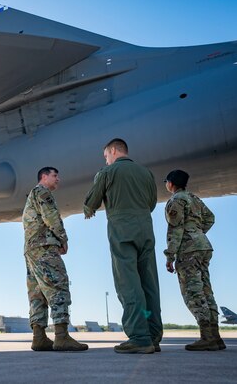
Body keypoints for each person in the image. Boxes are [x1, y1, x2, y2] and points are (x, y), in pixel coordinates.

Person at [83, 138, 163, 354]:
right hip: (146, 230)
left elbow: (90, 203)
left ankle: (139, 337)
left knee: (128, 284)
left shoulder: (107, 173)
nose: (106, 160)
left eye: (106, 156)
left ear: (113, 150)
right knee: (149, 285)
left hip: (122, 232)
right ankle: (154, 336)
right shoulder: (146, 173)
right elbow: (152, 203)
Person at [23, 166, 88, 352]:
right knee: (58, 286)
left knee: (37, 293)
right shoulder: (42, 192)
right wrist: (63, 238)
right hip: (44, 247)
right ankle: (61, 336)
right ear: (44, 177)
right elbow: (51, 217)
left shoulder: (32, 195)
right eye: (55, 175)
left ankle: (39, 337)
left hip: (31, 249)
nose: (58, 179)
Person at [163, 169, 226, 351]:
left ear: (171, 183)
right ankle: (215, 337)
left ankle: (206, 338)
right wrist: (197, 232)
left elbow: (175, 230)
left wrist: (170, 256)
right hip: (204, 247)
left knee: (193, 293)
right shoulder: (194, 198)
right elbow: (210, 218)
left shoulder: (176, 200)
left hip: (189, 250)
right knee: (206, 291)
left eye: (166, 182)